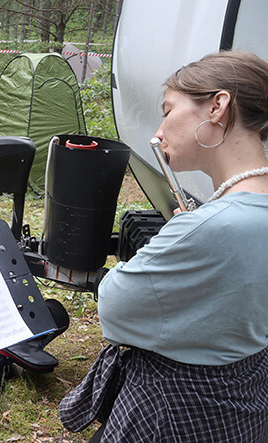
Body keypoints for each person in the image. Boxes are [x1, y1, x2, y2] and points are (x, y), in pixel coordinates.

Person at [60, 51, 268, 442]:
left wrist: (178, 237)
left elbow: (115, 309)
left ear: (217, 107)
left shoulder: (207, 226)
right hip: (247, 406)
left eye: (168, 110)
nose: (158, 132)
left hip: (176, 414)